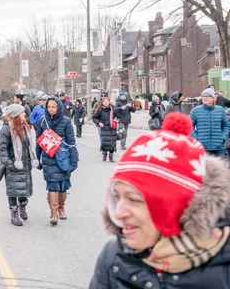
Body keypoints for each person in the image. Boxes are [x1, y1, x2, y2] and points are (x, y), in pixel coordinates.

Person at [90, 112, 230, 289]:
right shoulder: (113, 256)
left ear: (175, 204)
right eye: (117, 197)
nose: (118, 212)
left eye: (134, 199)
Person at [36, 97, 79, 226]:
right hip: (48, 158)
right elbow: (38, 141)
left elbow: (71, 143)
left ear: (59, 107)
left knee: (62, 186)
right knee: (52, 185)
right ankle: (53, 212)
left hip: (63, 158)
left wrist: (74, 161)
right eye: (49, 107)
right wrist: (37, 159)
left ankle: (61, 208)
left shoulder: (66, 122)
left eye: (53, 107)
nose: (51, 109)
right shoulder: (42, 121)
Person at [0, 104, 39, 226]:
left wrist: (31, 160)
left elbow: (28, 146)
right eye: (22, 113)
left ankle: (22, 207)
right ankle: (14, 214)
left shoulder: (25, 128)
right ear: (16, 115)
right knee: (13, 191)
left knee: (24, 190)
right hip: (13, 165)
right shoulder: (6, 130)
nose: (25, 114)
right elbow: (2, 150)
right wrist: (10, 164)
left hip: (25, 165)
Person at [190, 87, 230, 160]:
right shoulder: (195, 111)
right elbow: (189, 126)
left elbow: (226, 125)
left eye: (207, 96)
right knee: (204, 170)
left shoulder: (220, 110)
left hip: (219, 148)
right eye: (203, 96)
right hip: (202, 147)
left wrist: (223, 137)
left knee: (221, 170)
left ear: (213, 98)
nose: (205, 98)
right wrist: (196, 138)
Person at [93, 97, 118, 162]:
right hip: (104, 128)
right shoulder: (100, 110)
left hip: (112, 128)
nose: (106, 102)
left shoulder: (113, 109)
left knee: (112, 142)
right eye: (104, 101)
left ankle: (111, 156)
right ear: (102, 102)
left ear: (109, 102)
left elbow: (118, 116)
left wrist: (117, 120)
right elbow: (94, 118)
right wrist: (99, 122)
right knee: (105, 142)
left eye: (107, 101)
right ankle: (104, 153)